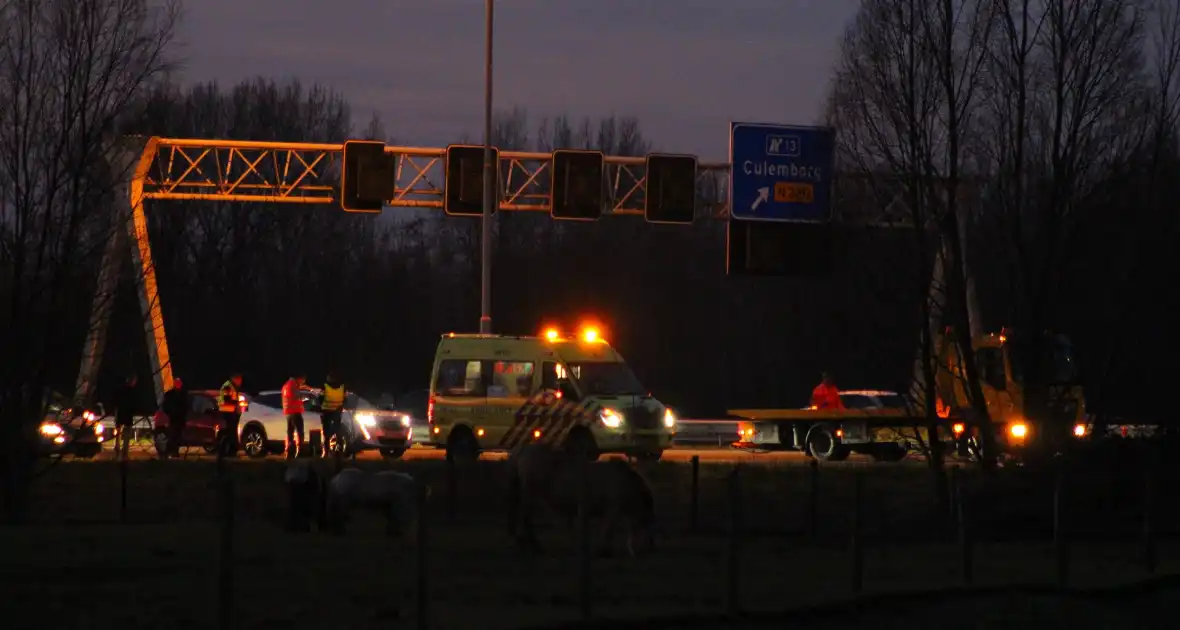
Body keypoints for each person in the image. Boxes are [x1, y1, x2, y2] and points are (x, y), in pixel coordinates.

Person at [111, 374, 138, 462]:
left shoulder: (120, 390)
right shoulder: (132, 392)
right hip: (127, 415)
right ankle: (124, 452)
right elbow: (133, 404)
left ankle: (117, 449)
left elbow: (115, 403)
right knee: (126, 434)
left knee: (118, 433)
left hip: (120, 413)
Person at [160, 377, 188, 459]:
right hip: (172, 418)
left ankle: (174, 452)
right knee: (172, 436)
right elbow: (165, 406)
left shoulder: (183, 394)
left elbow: (186, 406)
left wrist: (184, 413)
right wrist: (170, 413)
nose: (179, 385)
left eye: (180, 383)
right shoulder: (169, 394)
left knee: (178, 436)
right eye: (177, 383)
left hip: (180, 418)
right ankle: (168, 452)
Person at [218, 372, 244, 458]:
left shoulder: (232, 387)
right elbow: (227, 399)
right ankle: (230, 452)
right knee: (230, 433)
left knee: (231, 433)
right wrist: (237, 403)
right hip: (227, 413)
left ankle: (231, 452)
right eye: (239, 379)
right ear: (234, 378)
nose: (240, 382)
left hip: (230, 413)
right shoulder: (228, 386)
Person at [319, 373, 346, 458]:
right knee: (338, 431)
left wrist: (322, 406)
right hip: (337, 412)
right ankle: (339, 449)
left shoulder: (324, 386)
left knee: (326, 432)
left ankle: (326, 451)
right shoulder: (342, 387)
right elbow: (345, 399)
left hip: (326, 411)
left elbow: (320, 398)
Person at [282, 373, 306, 459]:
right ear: (299, 378)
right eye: (302, 380)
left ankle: (289, 452)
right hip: (295, 411)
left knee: (290, 432)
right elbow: (297, 396)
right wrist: (304, 398)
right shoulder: (293, 385)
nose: (303, 382)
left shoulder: (285, 385)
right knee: (299, 431)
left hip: (288, 412)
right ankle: (299, 452)